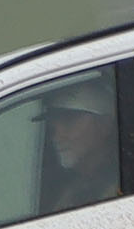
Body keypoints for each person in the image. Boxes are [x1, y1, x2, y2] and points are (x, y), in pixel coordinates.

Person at [41, 77, 120, 214]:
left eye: (69, 121)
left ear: (105, 124)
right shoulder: (76, 186)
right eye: (53, 125)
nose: (57, 136)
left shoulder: (123, 185)